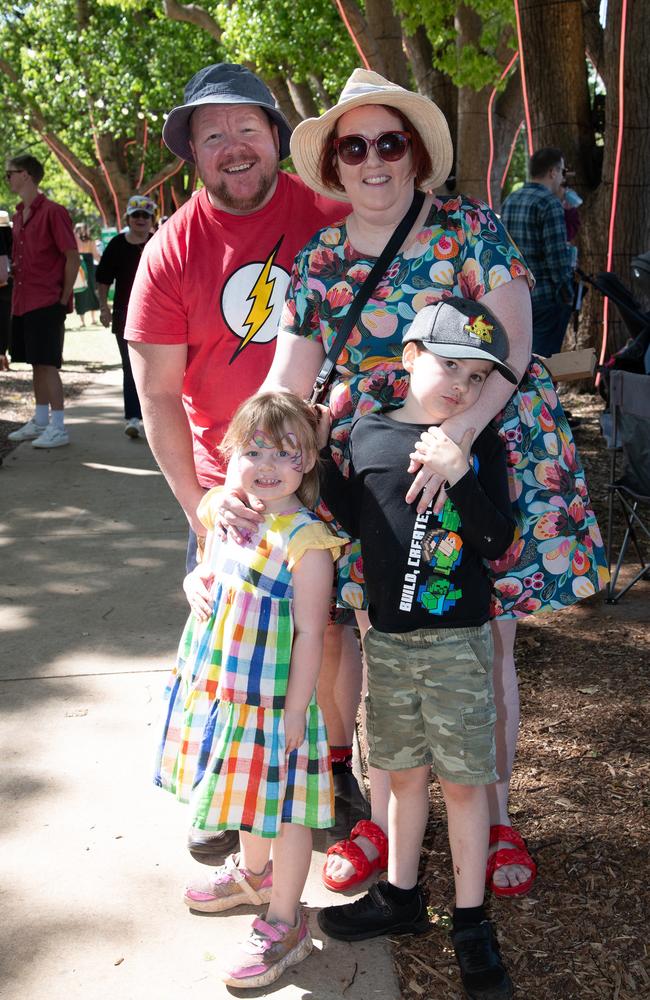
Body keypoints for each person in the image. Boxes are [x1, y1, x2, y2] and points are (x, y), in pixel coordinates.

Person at [219, 69, 607, 900]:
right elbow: (289, 380)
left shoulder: (468, 226)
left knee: (487, 639)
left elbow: (513, 343)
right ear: (334, 163)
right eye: (353, 146)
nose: (372, 161)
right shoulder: (319, 259)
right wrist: (241, 473)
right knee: (373, 636)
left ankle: (495, 815)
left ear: (416, 153)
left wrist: (459, 436)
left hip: (484, 448)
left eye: (388, 142)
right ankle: (384, 822)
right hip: (377, 472)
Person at [124, 62, 359, 864]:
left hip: (327, 471)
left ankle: (330, 766)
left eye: (246, 129)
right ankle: (223, 787)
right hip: (232, 486)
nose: (233, 147)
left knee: (327, 632)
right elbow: (156, 395)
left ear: (274, 136)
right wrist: (200, 503)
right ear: (192, 150)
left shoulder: (329, 216)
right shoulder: (168, 253)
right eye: (212, 134)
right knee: (229, 644)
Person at [317, 298, 517, 998]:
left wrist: (461, 471)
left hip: (458, 645)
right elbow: (353, 515)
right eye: (449, 364)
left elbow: (496, 541)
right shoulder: (368, 434)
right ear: (408, 359)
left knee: (462, 783)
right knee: (398, 775)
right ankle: (401, 898)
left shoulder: (478, 446)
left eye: (476, 375)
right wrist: (316, 455)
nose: (461, 384)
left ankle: (469, 921)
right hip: (390, 649)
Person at [155, 392, 345, 989]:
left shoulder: (306, 543)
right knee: (245, 790)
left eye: (286, 453)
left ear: (308, 462)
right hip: (225, 689)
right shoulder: (230, 515)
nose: (268, 463)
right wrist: (193, 579)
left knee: (286, 811)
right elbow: (208, 570)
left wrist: (295, 712)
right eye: (254, 449)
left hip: (274, 702)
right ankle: (253, 876)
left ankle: (286, 918)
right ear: (229, 453)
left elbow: (313, 633)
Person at [6, 154, 79, 448]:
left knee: (48, 364)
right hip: (24, 299)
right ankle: (40, 421)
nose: (7, 179)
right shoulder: (18, 214)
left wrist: (62, 298)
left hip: (47, 300)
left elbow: (72, 257)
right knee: (35, 362)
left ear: (25, 174)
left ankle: (58, 427)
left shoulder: (53, 211)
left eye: (9, 174)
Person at [501, 147, 574, 357]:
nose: (562, 178)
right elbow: (557, 258)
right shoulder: (549, 203)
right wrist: (567, 294)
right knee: (544, 364)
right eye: (561, 172)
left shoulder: (510, 200)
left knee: (518, 359)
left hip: (514, 296)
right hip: (545, 298)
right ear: (552, 172)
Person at [96, 196, 157, 438]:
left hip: (158, 314)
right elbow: (103, 279)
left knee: (161, 369)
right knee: (130, 367)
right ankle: (133, 417)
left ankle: (155, 417)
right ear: (128, 218)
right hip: (125, 314)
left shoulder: (158, 242)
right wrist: (103, 307)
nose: (141, 219)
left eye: (146, 215)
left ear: (152, 219)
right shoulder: (116, 245)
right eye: (136, 215)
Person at [73, 223, 99, 327]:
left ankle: (84, 321)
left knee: (81, 292)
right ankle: (91, 319)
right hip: (86, 268)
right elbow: (96, 256)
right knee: (88, 291)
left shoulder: (74, 240)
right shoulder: (90, 241)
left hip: (79, 268)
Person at [0, 209, 12, 371]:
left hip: (5, 281)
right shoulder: (12, 237)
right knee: (4, 321)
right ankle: (3, 355)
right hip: (8, 284)